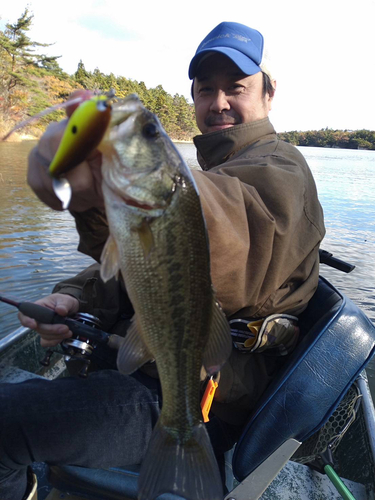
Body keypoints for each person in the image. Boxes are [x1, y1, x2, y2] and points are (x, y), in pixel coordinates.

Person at [0, 21, 325, 500]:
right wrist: (72, 295)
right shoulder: (213, 168)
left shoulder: (282, 169)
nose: (218, 103)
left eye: (236, 88)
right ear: (192, 97)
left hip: (199, 399)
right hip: (149, 367)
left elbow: (233, 239)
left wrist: (129, 187)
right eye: (206, 89)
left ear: (269, 94)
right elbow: (147, 261)